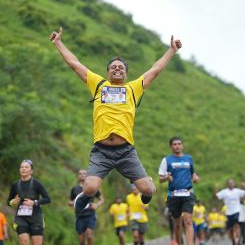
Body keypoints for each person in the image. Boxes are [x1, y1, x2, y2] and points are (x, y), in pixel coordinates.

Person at [49, 27, 182, 212]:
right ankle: (85, 195)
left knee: (148, 190)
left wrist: (171, 50)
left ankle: (148, 183)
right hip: (101, 151)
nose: (117, 69)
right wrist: (58, 43)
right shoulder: (98, 84)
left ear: (126, 73)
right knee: (91, 187)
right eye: (113, 67)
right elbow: (75, 64)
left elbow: (155, 70)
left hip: (126, 151)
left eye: (121, 68)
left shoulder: (133, 88)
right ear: (108, 72)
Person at [158, 137, 200, 245]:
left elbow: (193, 174)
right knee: (177, 224)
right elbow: (160, 179)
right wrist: (166, 178)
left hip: (188, 192)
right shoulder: (166, 160)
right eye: (174, 144)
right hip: (174, 194)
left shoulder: (189, 159)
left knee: (188, 221)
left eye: (179, 144)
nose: (177, 146)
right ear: (171, 146)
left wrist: (196, 178)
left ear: (182, 145)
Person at [7, 159, 51, 245]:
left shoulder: (37, 184)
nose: (23, 169)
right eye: (21, 167)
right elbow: (8, 201)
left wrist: (34, 202)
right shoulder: (15, 185)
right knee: (24, 241)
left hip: (36, 218)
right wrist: (13, 202)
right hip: (21, 218)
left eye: (26, 167)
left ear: (31, 171)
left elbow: (47, 199)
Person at [68, 169, 104, 245]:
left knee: (89, 235)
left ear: (87, 176)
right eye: (80, 174)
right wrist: (73, 202)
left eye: (84, 173)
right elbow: (69, 202)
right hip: (79, 216)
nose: (82, 175)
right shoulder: (74, 189)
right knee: (81, 240)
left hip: (90, 215)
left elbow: (102, 199)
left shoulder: (92, 187)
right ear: (78, 176)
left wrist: (96, 205)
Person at [216, 179, 245, 245]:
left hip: (237, 211)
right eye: (229, 183)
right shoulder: (224, 192)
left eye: (232, 183)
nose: (231, 184)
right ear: (227, 184)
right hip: (229, 212)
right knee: (231, 228)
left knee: (237, 225)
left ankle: (238, 240)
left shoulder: (237, 191)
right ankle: (233, 240)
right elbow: (217, 196)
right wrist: (217, 189)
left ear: (234, 184)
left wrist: (244, 187)